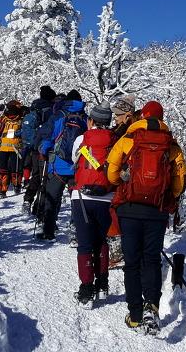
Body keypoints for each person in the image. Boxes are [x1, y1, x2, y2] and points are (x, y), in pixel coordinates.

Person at [106, 101, 186, 334]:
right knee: (151, 259)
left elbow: (111, 173)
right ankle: (152, 307)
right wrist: (166, 196)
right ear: (161, 118)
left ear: (142, 116)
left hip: (129, 209)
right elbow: (179, 182)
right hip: (156, 211)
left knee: (132, 262)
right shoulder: (171, 145)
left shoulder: (127, 139)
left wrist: (124, 182)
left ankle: (135, 315)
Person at [69, 104, 115, 303]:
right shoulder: (115, 140)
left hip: (82, 198)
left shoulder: (82, 140)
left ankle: (86, 290)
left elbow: (74, 160)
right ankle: (102, 284)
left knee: (85, 244)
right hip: (107, 197)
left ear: (91, 121)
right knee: (101, 241)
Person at [36, 90, 86, 241]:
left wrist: (43, 150)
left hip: (57, 165)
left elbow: (47, 137)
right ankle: (76, 231)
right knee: (76, 201)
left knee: (52, 198)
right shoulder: (85, 118)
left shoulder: (58, 116)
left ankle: (48, 230)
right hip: (77, 167)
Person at [21, 85, 56, 212]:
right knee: (45, 177)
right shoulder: (50, 110)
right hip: (46, 147)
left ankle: (27, 199)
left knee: (36, 175)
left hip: (35, 147)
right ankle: (40, 205)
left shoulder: (34, 107)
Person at [0, 100, 25, 198]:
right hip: (16, 147)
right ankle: (17, 186)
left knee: (3, 169)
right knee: (16, 168)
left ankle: (2, 190)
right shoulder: (21, 119)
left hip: (3, 147)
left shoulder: (3, 118)